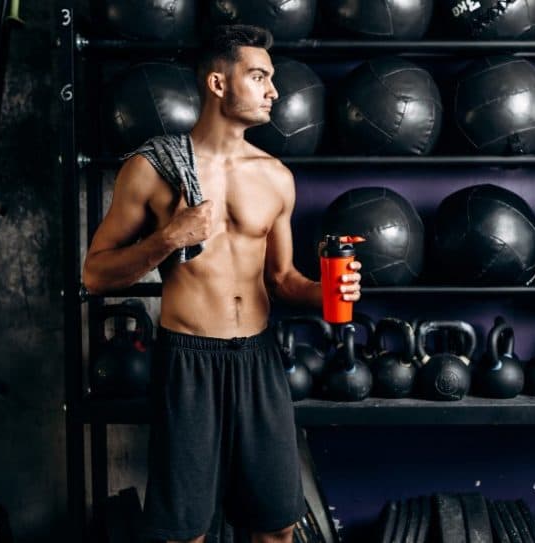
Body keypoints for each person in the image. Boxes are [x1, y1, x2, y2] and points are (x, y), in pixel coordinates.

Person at [81, 24, 362, 543]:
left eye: (271, 78)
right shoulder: (151, 169)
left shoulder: (276, 176)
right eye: (258, 77)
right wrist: (168, 238)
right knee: (186, 533)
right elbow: (94, 274)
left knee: (277, 527)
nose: (273, 91)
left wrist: (328, 294)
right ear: (217, 83)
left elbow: (282, 280)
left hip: (258, 358)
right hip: (189, 361)